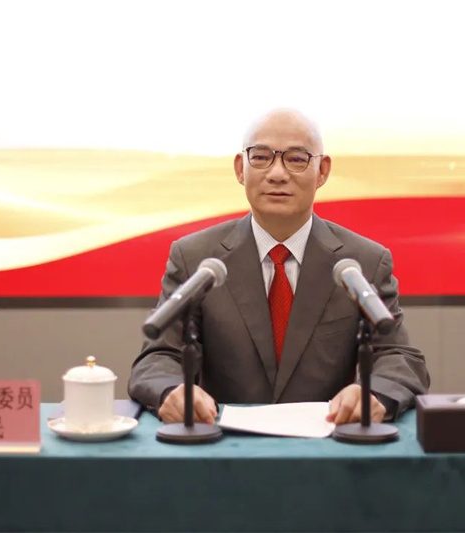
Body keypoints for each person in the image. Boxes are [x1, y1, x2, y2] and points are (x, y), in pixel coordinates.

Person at [128, 108, 430, 425]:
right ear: (240, 169)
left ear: (323, 171)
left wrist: (374, 393)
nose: (277, 174)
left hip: (328, 442)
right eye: (261, 157)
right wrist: (171, 391)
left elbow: (399, 357)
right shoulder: (195, 258)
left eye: (296, 159)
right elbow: (158, 357)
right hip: (223, 442)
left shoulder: (363, 262)